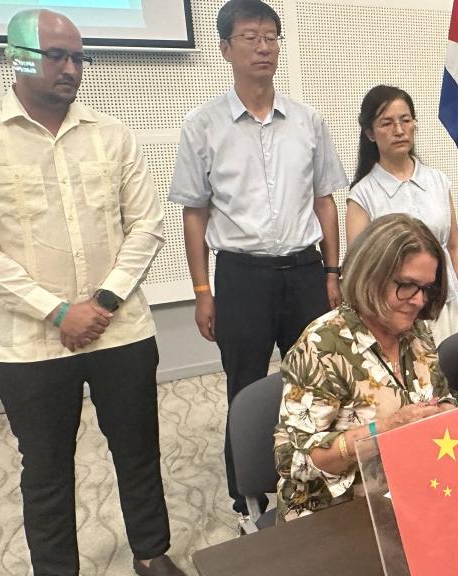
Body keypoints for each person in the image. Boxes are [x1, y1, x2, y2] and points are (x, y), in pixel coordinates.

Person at [0, 10, 185, 576]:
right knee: (46, 467)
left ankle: (151, 553)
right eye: (56, 55)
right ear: (17, 58)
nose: (70, 68)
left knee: (138, 450)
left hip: (120, 329)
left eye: (79, 57)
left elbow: (147, 226)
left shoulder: (112, 134)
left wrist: (101, 303)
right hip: (30, 342)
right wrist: (57, 311)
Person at [168, 0, 348, 521]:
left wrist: (332, 270)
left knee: (316, 380)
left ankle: (317, 476)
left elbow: (325, 201)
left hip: (305, 271)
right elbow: (195, 214)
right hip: (242, 276)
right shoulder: (202, 125)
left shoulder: (307, 121)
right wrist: (202, 291)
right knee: (244, 384)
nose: (263, 47)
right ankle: (246, 498)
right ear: (226, 49)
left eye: (271, 36)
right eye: (250, 37)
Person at [274, 214, 458, 521]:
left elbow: (439, 395)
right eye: (407, 285)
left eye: (426, 288)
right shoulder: (323, 347)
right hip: (333, 513)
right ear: (371, 275)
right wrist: (383, 431)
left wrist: (445, 410)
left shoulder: (417, 333)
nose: (418, 301)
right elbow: (293, 460)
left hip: (407, 493)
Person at [345, 85, 458, 344]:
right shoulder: (363, 194)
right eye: (387, 123)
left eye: (405, 120)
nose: (399, 130)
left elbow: (454, 247)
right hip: (395, 313)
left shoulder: (438, 181)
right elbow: (360, 269)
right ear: (370, 133)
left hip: (446, 305)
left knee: (452, 366)